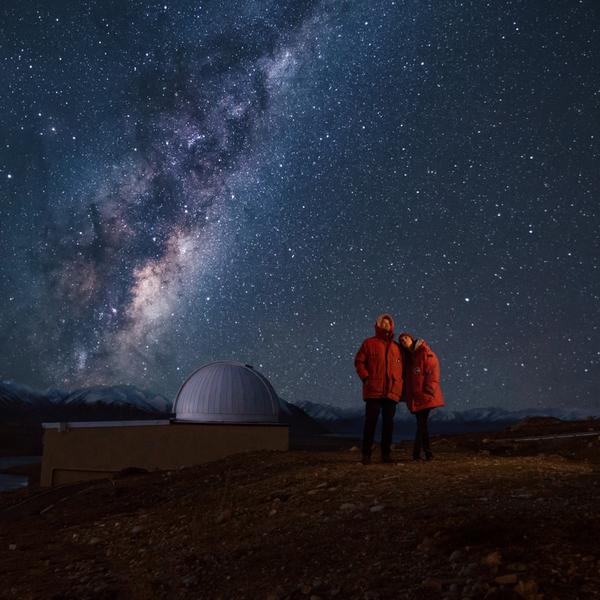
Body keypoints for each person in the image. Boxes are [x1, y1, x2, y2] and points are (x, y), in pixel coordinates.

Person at [354, 314, 403, 464]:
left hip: (391, 391)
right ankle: (366, 454)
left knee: (388, 424)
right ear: (378, 325)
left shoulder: (396, 347)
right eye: (383, 322)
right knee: (371, 423)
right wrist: (366, 378)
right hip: (373, 389)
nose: (386, 324)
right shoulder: (369, 343)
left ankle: (386, 455)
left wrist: (399, 384)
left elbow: (403, 368)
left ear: (392, 325)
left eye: (388, 323)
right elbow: (359, 362)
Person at [398, 332, 444, 461]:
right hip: (416, 397)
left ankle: (424, 453)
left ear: (412, 339)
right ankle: (419, 454)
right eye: (401, 340)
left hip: (425, 395)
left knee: (421, 425)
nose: (403, 340)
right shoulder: (407, 358)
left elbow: (433, 370)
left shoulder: (424, 352)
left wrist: (429, 389)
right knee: (421, 425)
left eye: (405, 337)